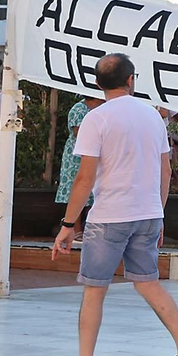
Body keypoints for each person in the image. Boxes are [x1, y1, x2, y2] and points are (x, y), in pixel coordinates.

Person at [48, 54, 178, 356]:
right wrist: (159, 213)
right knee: (148, 282)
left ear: (97, 83)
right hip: (148, 213)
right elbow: (165, 171)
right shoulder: (153, 116)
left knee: (94, 290)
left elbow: (84, 178)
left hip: (109, 216)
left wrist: (68, 224)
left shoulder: (95, 118)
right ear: (131, 79)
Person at [55, 95, 103, 246]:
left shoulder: (104, 109)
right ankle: (76, 231)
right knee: (76, 191)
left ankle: (91, 230)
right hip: (76, 158)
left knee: (94, 194)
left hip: (96, 155)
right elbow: (77, 131)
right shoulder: (79, 108)